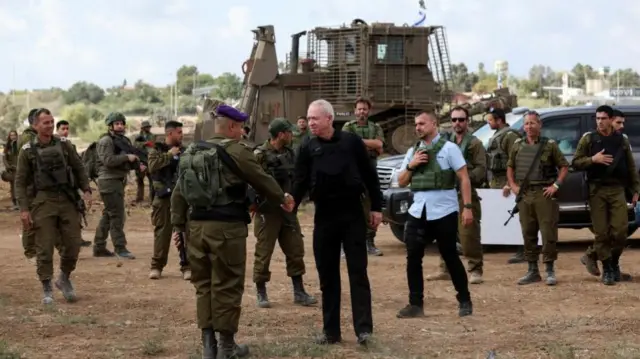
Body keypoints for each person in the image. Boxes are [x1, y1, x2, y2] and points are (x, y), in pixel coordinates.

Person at [171, 104, 294, 359]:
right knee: (227, 284)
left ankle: (208, 346)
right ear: (231, 127)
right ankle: (227, 347)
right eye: (240, 128)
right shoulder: (237, 150)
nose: (242, 133)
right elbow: (261, 179)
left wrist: (178, 226)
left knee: (203, 285)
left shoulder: (192, 151)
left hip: (196, 229)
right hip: (227, 230)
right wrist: (283, 198)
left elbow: (179, 192)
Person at [292, 99, 382, 346]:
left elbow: (369, 175)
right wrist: (291, 201)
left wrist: (376, 207)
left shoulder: (351, 142)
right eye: (308, 118)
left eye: (315, 119)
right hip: (324, 216)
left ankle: (364, 330)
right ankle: (331, 331)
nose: (310, 123)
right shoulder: (307, 146)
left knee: (357, 272)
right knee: (327, 276)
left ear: (329, 119)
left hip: (352, 214)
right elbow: (299, 181)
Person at [395, 111, 474, 318]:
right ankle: (415, 304)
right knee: (413, 256)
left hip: (444, 210)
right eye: (416, 124)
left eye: (422, 123)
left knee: (449, 255)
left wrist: (467, 207)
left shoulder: (449, 149)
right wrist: (412, 165)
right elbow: (401, 181)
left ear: (434, 124)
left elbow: (464, 178)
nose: (417, 127)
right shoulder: (413, 151)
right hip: (418, 209)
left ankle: (464, 300)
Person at [14, 108, 92, 304]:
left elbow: (78, 167)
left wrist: (87, 189)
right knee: (44, 246)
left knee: (74, 243)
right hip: (43, 202)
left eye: (51, 122)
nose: (49, 125)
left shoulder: (64, 145)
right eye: (45, 123)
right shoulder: (27, 151)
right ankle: (47, 286)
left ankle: (64, 278)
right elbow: (20, 182)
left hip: (67, 200)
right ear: (35, 126)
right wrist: (24, 209)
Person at [572, 105, 640, 285]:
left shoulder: (621, 140)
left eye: (603, 118)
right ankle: (608, 268)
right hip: (597, 190)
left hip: (617, 189)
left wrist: (635, 190)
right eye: (597, 118)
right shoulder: (589, 139)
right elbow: (576, 163)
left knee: (620, 231)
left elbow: (631, 166)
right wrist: (593, 160)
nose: (600, 122)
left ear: (610, 119)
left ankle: (614, 261)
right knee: (601, 233)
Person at [252, 118, 316, 308]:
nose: (292, 135)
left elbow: (298, 176)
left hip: (287, 211)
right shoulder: (259, 154)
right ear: (280, 134)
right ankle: (261, 292)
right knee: (264, 253)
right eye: (289, 132)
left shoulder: (290, 153)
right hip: (268, 211)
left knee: (295, 249)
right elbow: (254, 181)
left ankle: (299, 291)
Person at [505, 111, 569, 285]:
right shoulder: (517, 145)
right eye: (526, 123)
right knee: (528, 233)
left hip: (544, 194)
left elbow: (564, 166)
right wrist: (513, 186)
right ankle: (532, 270)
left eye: (533, 123)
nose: (529, 126)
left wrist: (556, 185)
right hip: (525, 195)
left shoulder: (550, 145)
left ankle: (549, 269)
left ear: (540, 125)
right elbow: (510, 167)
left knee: (548, 233)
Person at [426, 106, 486, 284]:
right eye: (454, 120)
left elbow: (482, 169)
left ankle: (475, 269)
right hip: (446, 194)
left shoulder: (475, 144)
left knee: (468, 234)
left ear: (467, 121)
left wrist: (463, 177)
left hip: (465, 194)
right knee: (444, 233)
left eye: (461, 119)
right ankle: (444, 268)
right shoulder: (445, 142)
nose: (457, 123)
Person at [92, 112, 142, 259]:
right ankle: (120, 248)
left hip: (117, 180)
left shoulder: (122, 140)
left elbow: (125, 163)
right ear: (110, 126)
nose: (120, 126)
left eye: (121, 123)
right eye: (117, 124)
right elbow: (108, 160)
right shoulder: (106, 141)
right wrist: (127, 157)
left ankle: (99, 246)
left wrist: (137, 165)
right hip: (108, 181)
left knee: (109, 214)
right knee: (117, 216)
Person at [147, 121, 191, 280]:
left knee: (185, 233)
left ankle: (187, 266)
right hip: (163, 199)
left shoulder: (186, 151)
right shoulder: (156, 151)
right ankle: (157, 266)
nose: (182, 135)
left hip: (182, 199)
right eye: (179, 132)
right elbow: (152, 166)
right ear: (170, 134)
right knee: (162, 234)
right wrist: (169, 155)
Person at [341, 97, 385, 256]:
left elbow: (380, 145)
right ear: (355, 111)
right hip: (351, 171)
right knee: (346, 206)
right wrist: (369, 144)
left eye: (364, 109)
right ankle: (344, 244)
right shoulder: (348, 126)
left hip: (369, 171)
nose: (362, 112)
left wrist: (358, 142)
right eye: (359, 109)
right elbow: (345, 145)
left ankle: (370, 242)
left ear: (369, 111)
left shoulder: (376, 127)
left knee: (371, 206)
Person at [486, 107, 524, 264]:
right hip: (496, 181)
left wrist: (511, 183)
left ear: (499, 120)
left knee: (516, 216)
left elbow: (517, 161)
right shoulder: (497, 135)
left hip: (507, 182)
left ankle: (523, 250)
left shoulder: (510, 136)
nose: (488, 123)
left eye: (490, 120)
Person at [55, 120, 91, 248]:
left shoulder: (70, 146)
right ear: (57, 130)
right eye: (62, 129)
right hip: (58, 187)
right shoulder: (53, 145)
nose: (65, 131)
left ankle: (76, 239)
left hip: (72, 186)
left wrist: (84, 187)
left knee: (77, 212)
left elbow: (77, 167)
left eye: (67, 129)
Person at [18, 108, 40, 263]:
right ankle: (30, 251)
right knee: (29, 218)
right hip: (29, 184)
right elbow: (33, 158)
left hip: (36, 184)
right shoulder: (28, 137)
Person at [134, 120, 155, 203]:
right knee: (139, 180)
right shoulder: (138, 136)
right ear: (143, 128)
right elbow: (135, 145)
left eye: (149, 127)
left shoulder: (152, 136)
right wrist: (144, 144)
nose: (148, 128)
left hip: (149, 160)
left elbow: (152, 145)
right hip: (141, 160)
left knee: (152, 180)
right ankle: (139, 198)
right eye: (147, 127)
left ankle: (152, 198)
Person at [2, 130, 19, 210]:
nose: (13, 137)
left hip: (18, 169)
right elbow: (4, 158)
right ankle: (15, 202)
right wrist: (8, 166)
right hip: (11, 169)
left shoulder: (19, 145)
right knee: (12, 186)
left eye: (14, 135)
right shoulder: (7, 146)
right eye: (11, 135)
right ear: (9, 136)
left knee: (18, 186)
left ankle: (19, 203)